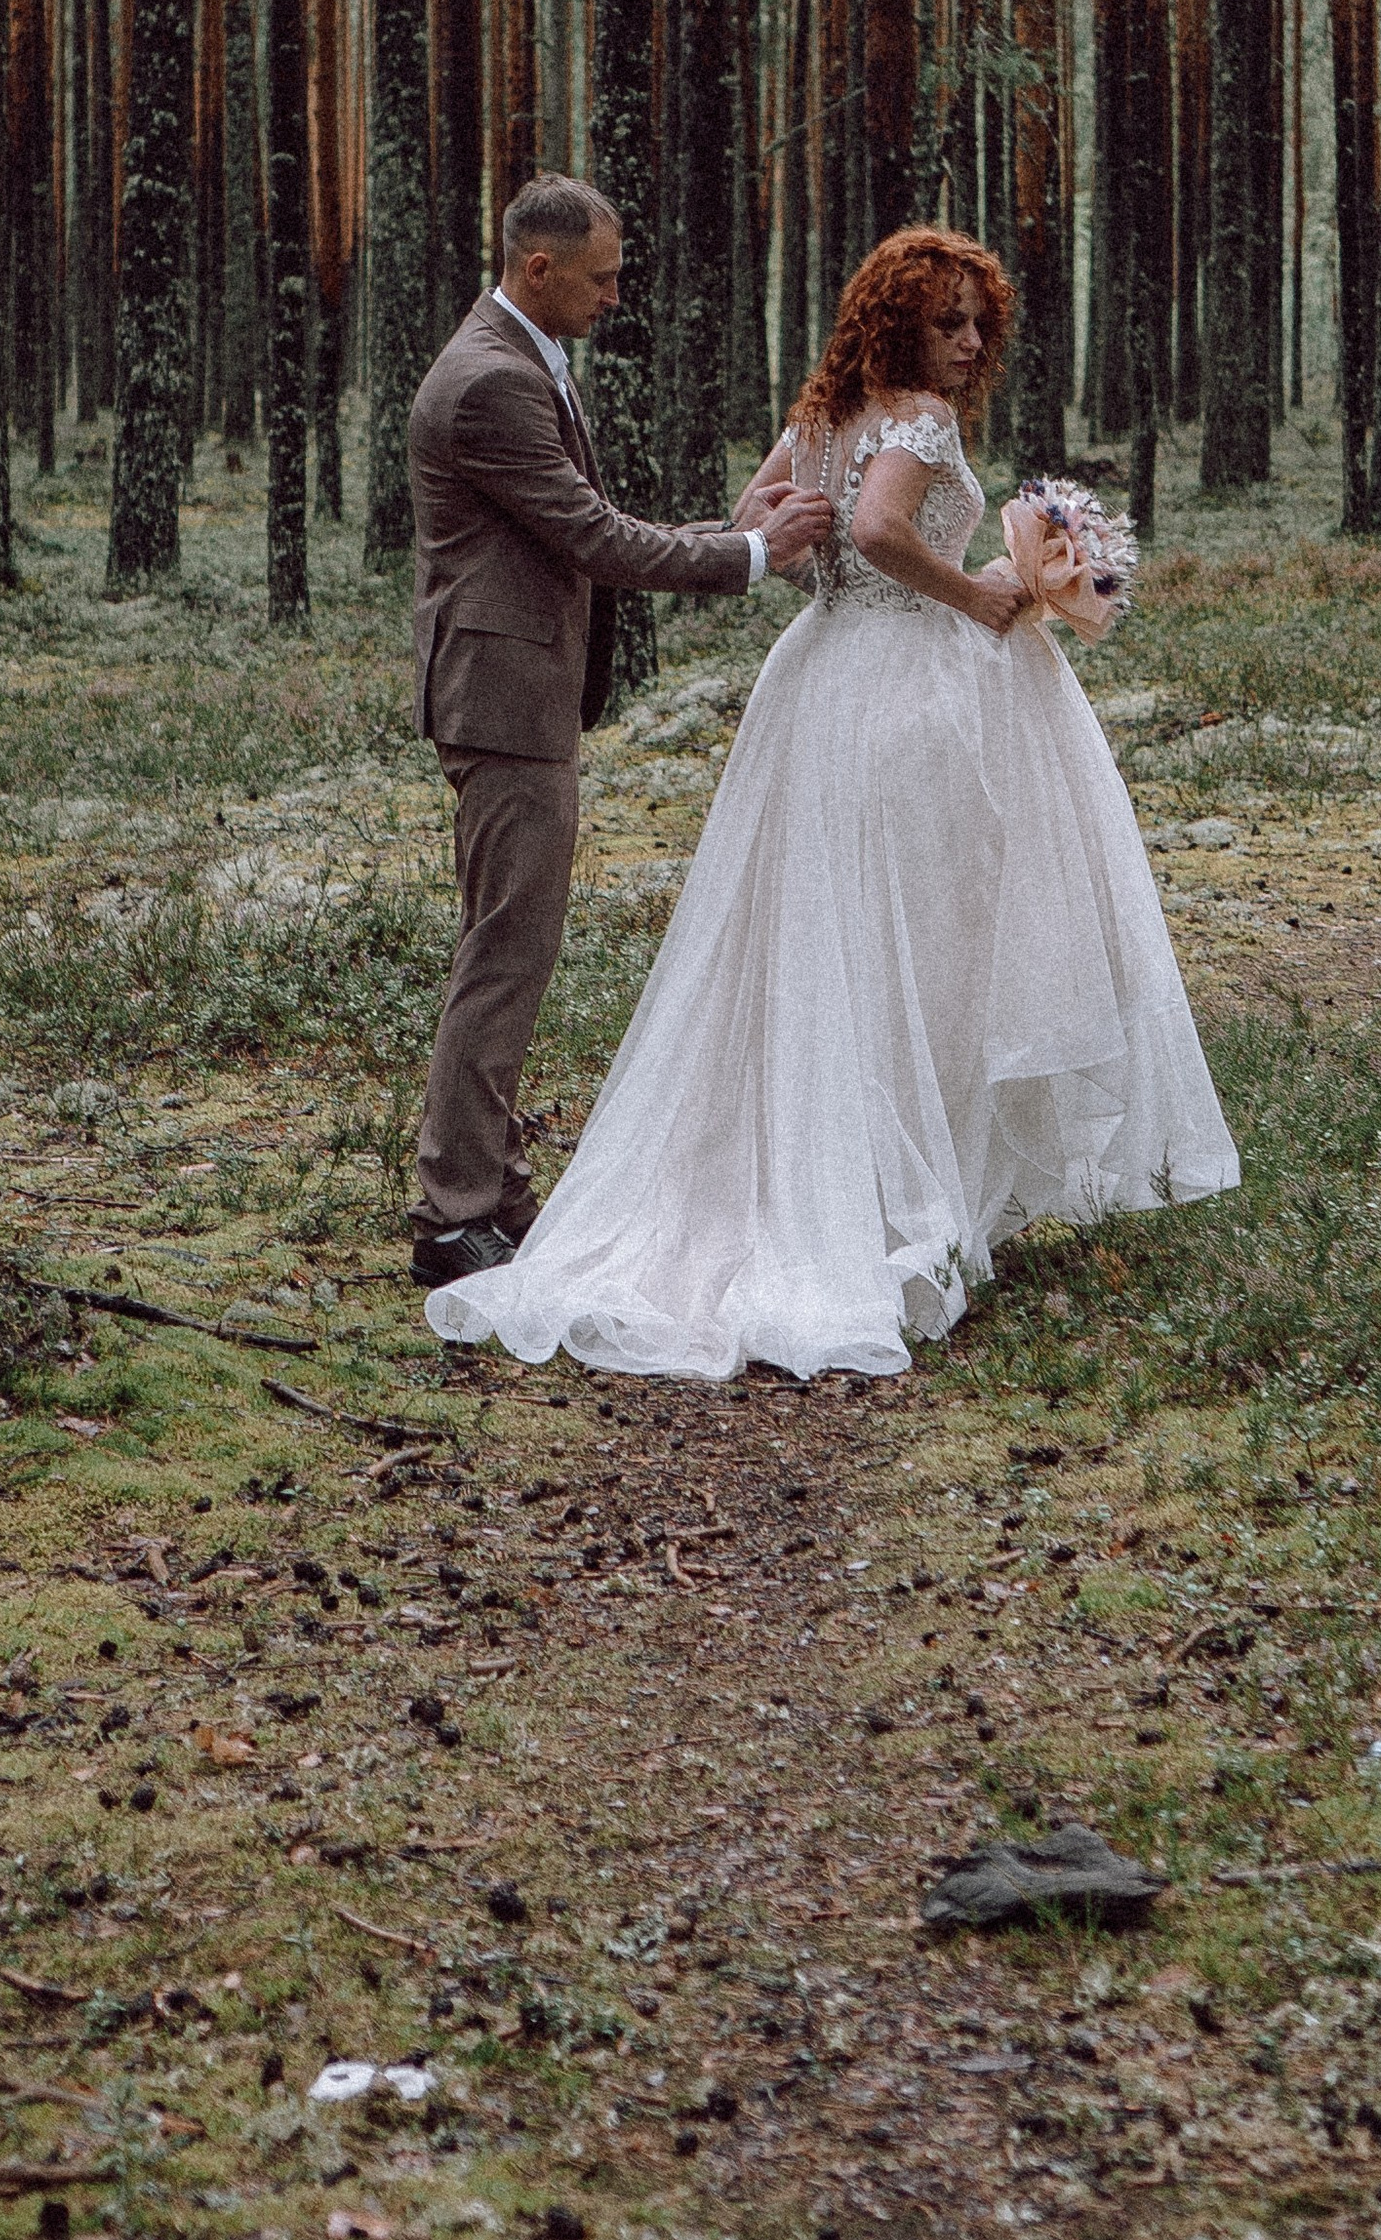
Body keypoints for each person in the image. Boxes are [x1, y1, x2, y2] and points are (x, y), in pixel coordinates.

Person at [424, 224, 1238, 1381]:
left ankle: (858, 1168)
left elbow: (767, 513)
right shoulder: (914, 419)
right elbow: (870, 529)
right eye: (944, 321)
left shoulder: (820, 416)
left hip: (817, 681)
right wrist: (974, 595)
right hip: (902, 693)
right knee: (918, 939)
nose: (964, 344)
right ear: (897, 321)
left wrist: (811, 564)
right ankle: (884, 1191)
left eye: (975, 323)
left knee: (828, 937)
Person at [404, 174, 833, 1287]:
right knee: (505, 951)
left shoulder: (517, 359)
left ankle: (489, 1189)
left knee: (510, 945)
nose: (612, 296)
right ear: (536, 269)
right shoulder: (490, 383)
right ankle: (453, 1215)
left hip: (517, 695)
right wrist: (745, 556)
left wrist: (726, 532)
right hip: (502, 702)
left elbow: (578, 529)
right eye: (598, 279)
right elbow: (589, 535)